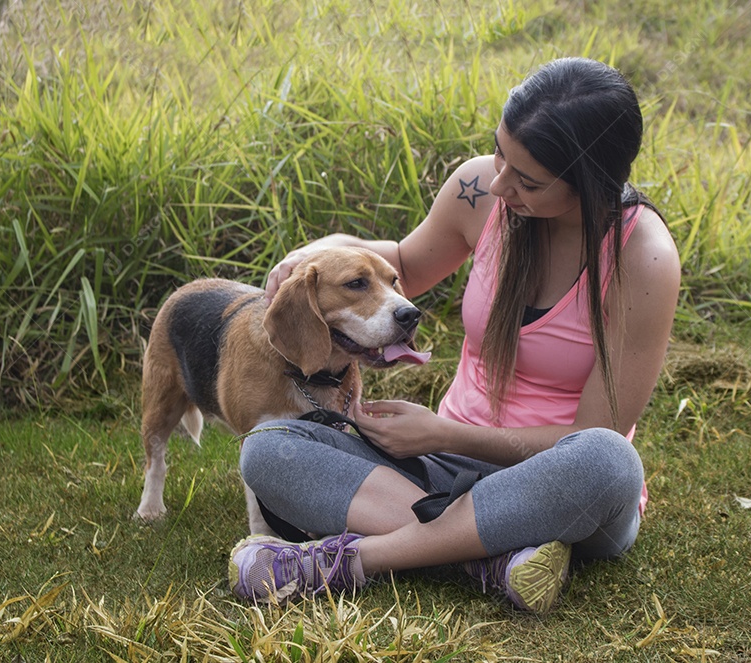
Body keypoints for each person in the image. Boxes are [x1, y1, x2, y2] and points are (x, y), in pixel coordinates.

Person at [227, 57, 681, 612]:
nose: (498, 183)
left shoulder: (644, 258)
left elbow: (592, 431)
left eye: (528, 180)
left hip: (553, 480)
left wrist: (444, 434)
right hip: (439, 473)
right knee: (269, 449)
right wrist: (312, 254)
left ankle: (349, 560)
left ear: (589, 182)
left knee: (608, 461)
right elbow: (403, 264)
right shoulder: (479, 189)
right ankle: (491, 556)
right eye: (499, 153)